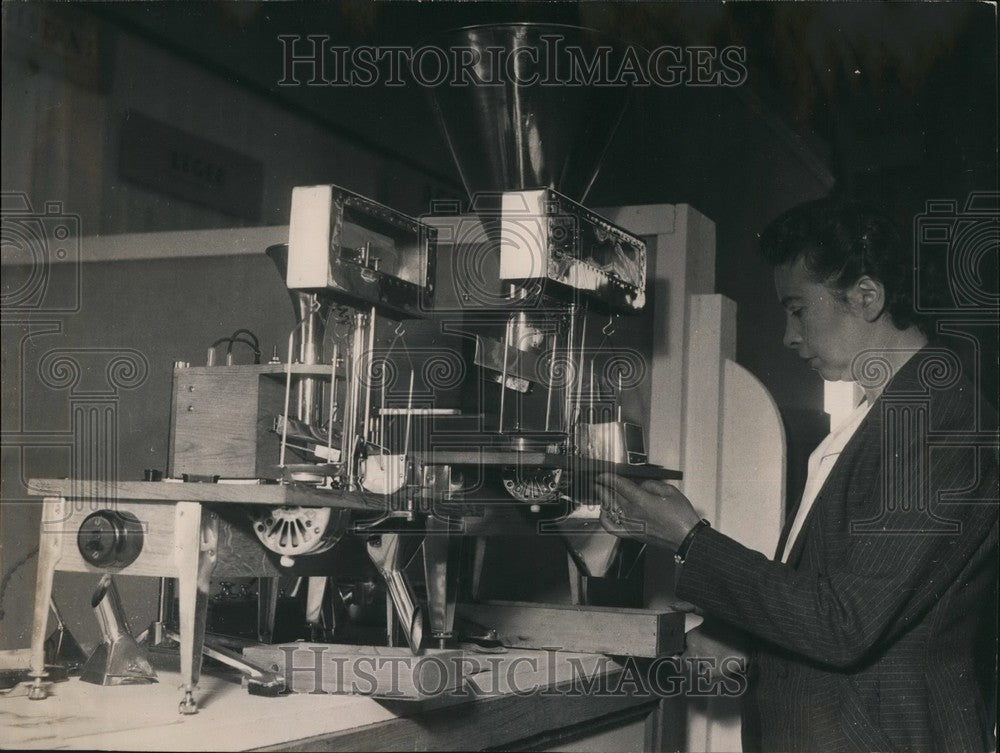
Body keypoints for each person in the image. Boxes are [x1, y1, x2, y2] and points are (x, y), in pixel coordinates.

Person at [594, 197, 998, 752]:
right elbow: (841, 602)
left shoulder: (942, 417)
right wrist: (743, 646)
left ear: (866, 296)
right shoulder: (878, 416)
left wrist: (688, 538)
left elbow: (844, 624)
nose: (788, 335)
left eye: (798, 309)